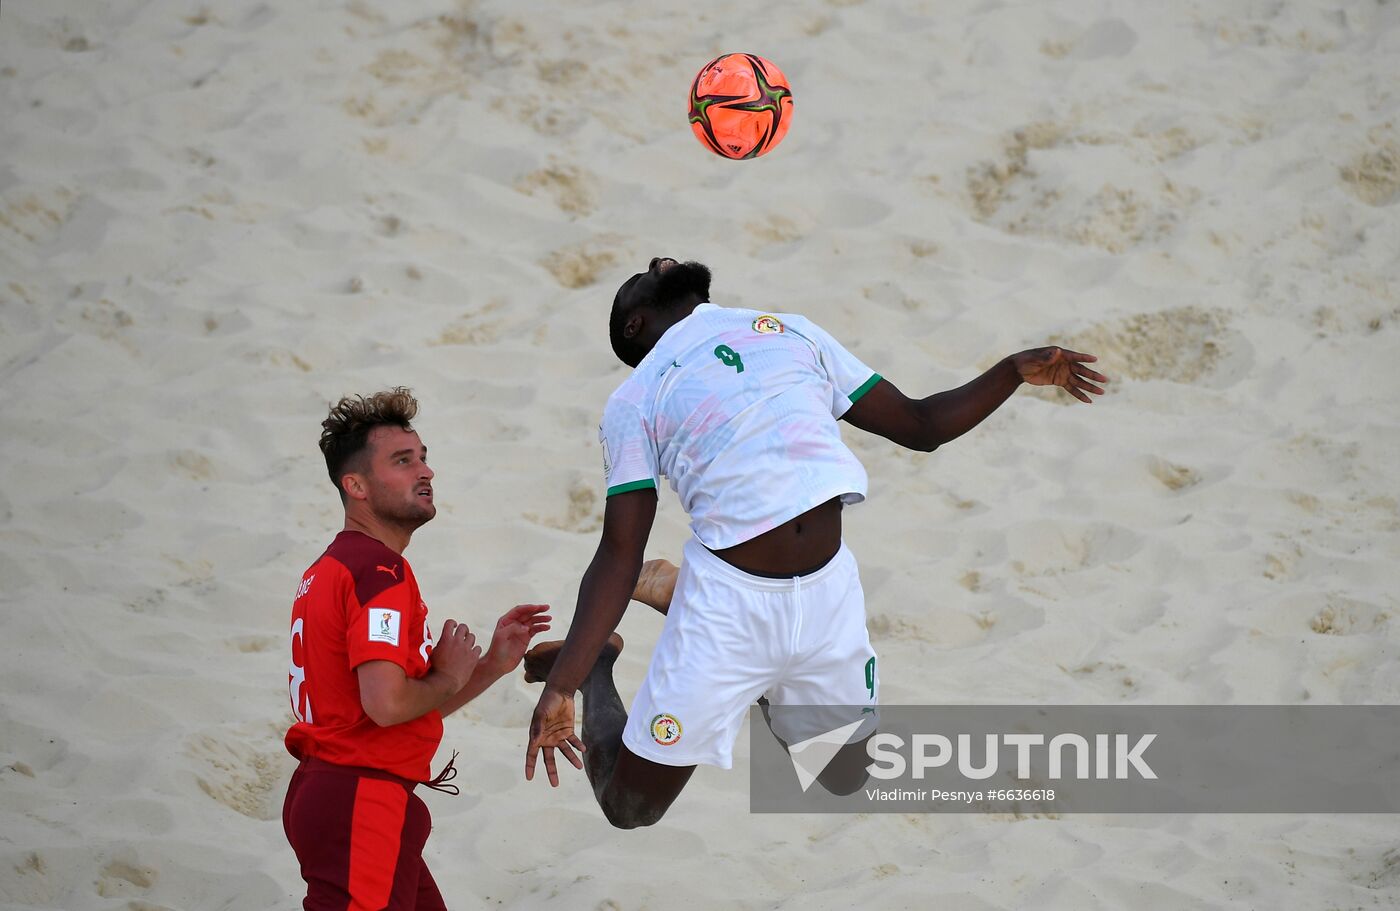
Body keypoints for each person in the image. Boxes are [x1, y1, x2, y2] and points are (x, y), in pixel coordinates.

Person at [522, 257, 1108, 828]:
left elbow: (920, 425)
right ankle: (606, 665)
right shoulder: (635, 399)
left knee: (842, 775)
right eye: (644, 273)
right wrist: (567, 680)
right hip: (727, 610)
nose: (659, 258)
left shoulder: (788, 330)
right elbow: (621, 553)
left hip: (828, 591)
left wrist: (1010, 371)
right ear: (635, 324)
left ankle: (688, 603)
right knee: (630, 809)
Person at [283, 387, 550, 909]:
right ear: (355, 485)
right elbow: (387, 706)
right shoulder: (378, 572)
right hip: (359, 798)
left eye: (424, 458)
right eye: (402, 462)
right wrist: (448, 675)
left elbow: (398, 709)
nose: (425, 471)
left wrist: (491, 665)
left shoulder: (330, 569)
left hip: (351, 793)